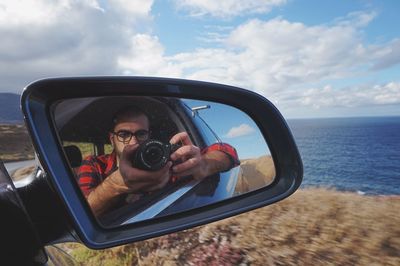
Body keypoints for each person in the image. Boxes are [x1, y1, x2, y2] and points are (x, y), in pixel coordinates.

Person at [78, 106, 239, 216]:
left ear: (149, 136)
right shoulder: (95, 165)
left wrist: (204, 164)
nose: (133, 142)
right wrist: (113, 186)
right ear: (112, 139)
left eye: (141, 134)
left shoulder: (167, 164)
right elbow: (81, 213)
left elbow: (227, 150)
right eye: (124, 134)